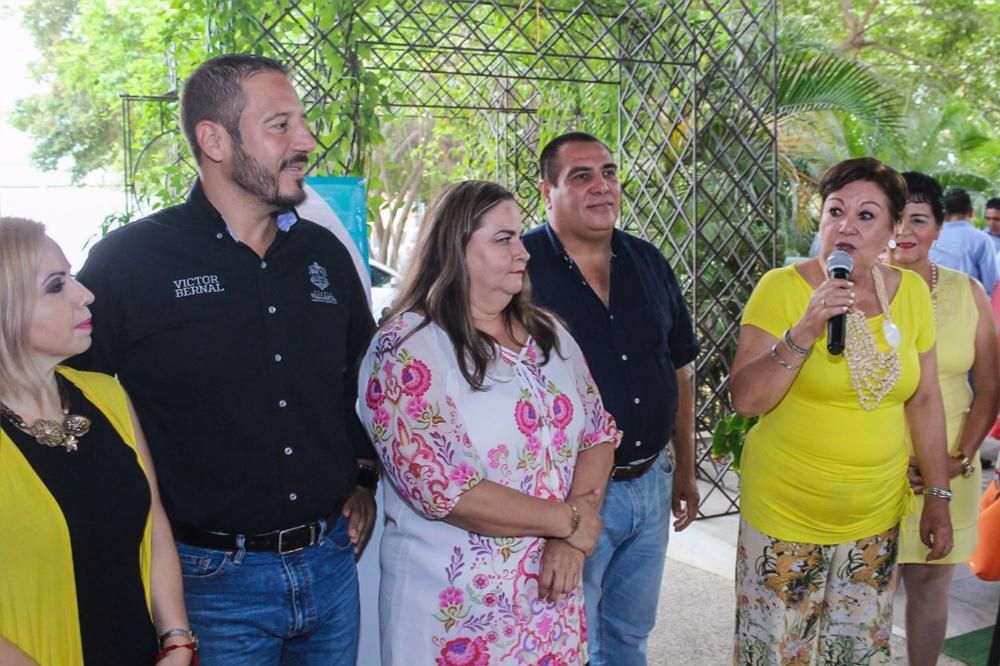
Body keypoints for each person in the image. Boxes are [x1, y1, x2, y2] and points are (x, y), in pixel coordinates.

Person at [71, 54, 377, 664]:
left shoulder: (324, 254)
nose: (305, 141)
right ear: (213, 140)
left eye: (302, 123)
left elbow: (363, 381)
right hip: (209, 584)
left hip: (331, 566)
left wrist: (365, 477)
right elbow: (72, 405)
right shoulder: (130, 263)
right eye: (280, 125)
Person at [357, 180, 620, 665]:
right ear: (454, 249)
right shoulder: (406, 348)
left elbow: (598, 434)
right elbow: (446, 490)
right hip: (456, 619)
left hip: (551, 608)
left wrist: (570, 543)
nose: (523, 252)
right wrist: (570, 522)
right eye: (504, 239)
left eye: (520, 236)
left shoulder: (549, 334)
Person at [730, 157, 954, 664]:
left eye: (866, 215)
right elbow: (746, 399)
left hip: (874, 517)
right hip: (786, 514)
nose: (846, 226)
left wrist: (938, 497)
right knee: (775, 653)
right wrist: (804, 330)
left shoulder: (912, 293)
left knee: (854, 653)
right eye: (835, 211)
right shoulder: (782, 288)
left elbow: (924, 398)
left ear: (893, 229)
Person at [522, 132, 701, 665]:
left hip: (651, 482)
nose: (602, 186)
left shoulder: (648, 261)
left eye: (609, 172)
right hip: (567, 495)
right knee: (566, 638)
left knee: (629, 635)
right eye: (581, 176)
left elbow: (679, 367)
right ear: (547, 191)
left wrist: (685, 467)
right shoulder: (520, 269)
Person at [0, 218, 192, 666]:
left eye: (72, 277)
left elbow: (155, 525)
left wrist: (178, 638)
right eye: (55, 286)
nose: (85, 295)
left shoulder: (106, 395)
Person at [890, 172, 1000, 665]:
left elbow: (990, 386)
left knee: (932, 584)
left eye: (918, 219)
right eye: (895, 217)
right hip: (875, 466)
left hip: (952, 465)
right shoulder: (859, 291)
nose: (903, 231)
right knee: (864, 587)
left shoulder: (969, 292)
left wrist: (958, 459)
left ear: (939, 228)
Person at [929, 187, 998, 296]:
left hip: (930, 300)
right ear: (971, 212)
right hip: (968, 302)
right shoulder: (982, 240)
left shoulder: (929, 235)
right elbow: (992, 285)